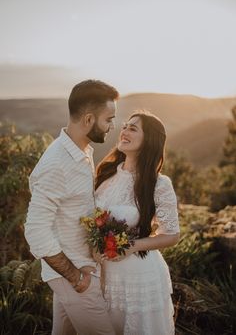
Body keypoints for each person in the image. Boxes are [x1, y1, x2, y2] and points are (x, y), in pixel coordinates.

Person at [24, 79, 119, 335]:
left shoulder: (82, 150)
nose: (112, 126)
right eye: (108, 119)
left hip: (81, 269)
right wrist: (75, 277)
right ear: (88, 120)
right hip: (73, 274)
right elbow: (36, 231)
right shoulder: (56, 163)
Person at [95, 111, 180, 335]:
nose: (124, 131)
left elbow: (172, 235)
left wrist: (132, 246)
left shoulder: (158, 184)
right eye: (125, 126)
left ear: (148, 140)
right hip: (102, 272)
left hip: (138, 277)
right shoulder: (106, 172)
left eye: (133, 128)